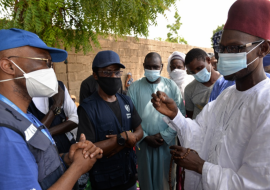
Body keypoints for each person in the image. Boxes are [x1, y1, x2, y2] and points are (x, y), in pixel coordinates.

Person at [151, 1, 270, 189]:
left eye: (235, 48)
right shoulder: (226, 96)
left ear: (263, 49)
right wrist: (176, 116)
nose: (224, 56)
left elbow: (253, 184)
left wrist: (200, 166)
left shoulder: (266, 104)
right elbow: (201, 134)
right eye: (221, 49)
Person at [0, 28, 103, 190]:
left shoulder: (21, 115)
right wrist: (77, 168)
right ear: (8, 66)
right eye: (43, 61)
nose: (50, 70)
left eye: (51, 63)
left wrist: (67, 159)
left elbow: (37, 166)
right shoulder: (5, 132)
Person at [77, 50, 143, 190]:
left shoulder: (126, 101)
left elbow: (139, 131)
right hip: (105, 181)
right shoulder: (88, 108)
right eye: (107, 72)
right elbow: (87, 150)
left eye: (117, 72)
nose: (113, 76)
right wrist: (122, 138)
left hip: (129, 177)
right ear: (95, 75)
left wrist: (126, 139)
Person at [127, 52, 186, 190]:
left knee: (165, 182)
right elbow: (130, 116)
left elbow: (181, 115)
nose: (152, 70)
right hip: (143, 144)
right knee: (146, 182)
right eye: (148, 67)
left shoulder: (171, 86)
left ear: (161, 67)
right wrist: (145, 136)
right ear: (143, 66)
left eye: (155, 67)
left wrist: (164, 135)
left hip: (166, 145)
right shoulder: (134, 88)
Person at [28, 80, 78, 153]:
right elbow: (34, 134)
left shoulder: (59, 86)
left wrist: (47, 132)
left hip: (67, 148)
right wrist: (57, 105)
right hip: (44, 153)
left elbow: (76, 119)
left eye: (49, 67)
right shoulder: (25, 93)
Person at [184, 48, 221, 119]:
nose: (197, 74)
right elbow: (189, 117)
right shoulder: (189, 89)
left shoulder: (225, 82)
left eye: (199, 68)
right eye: (193, 72)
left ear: (208, 60)